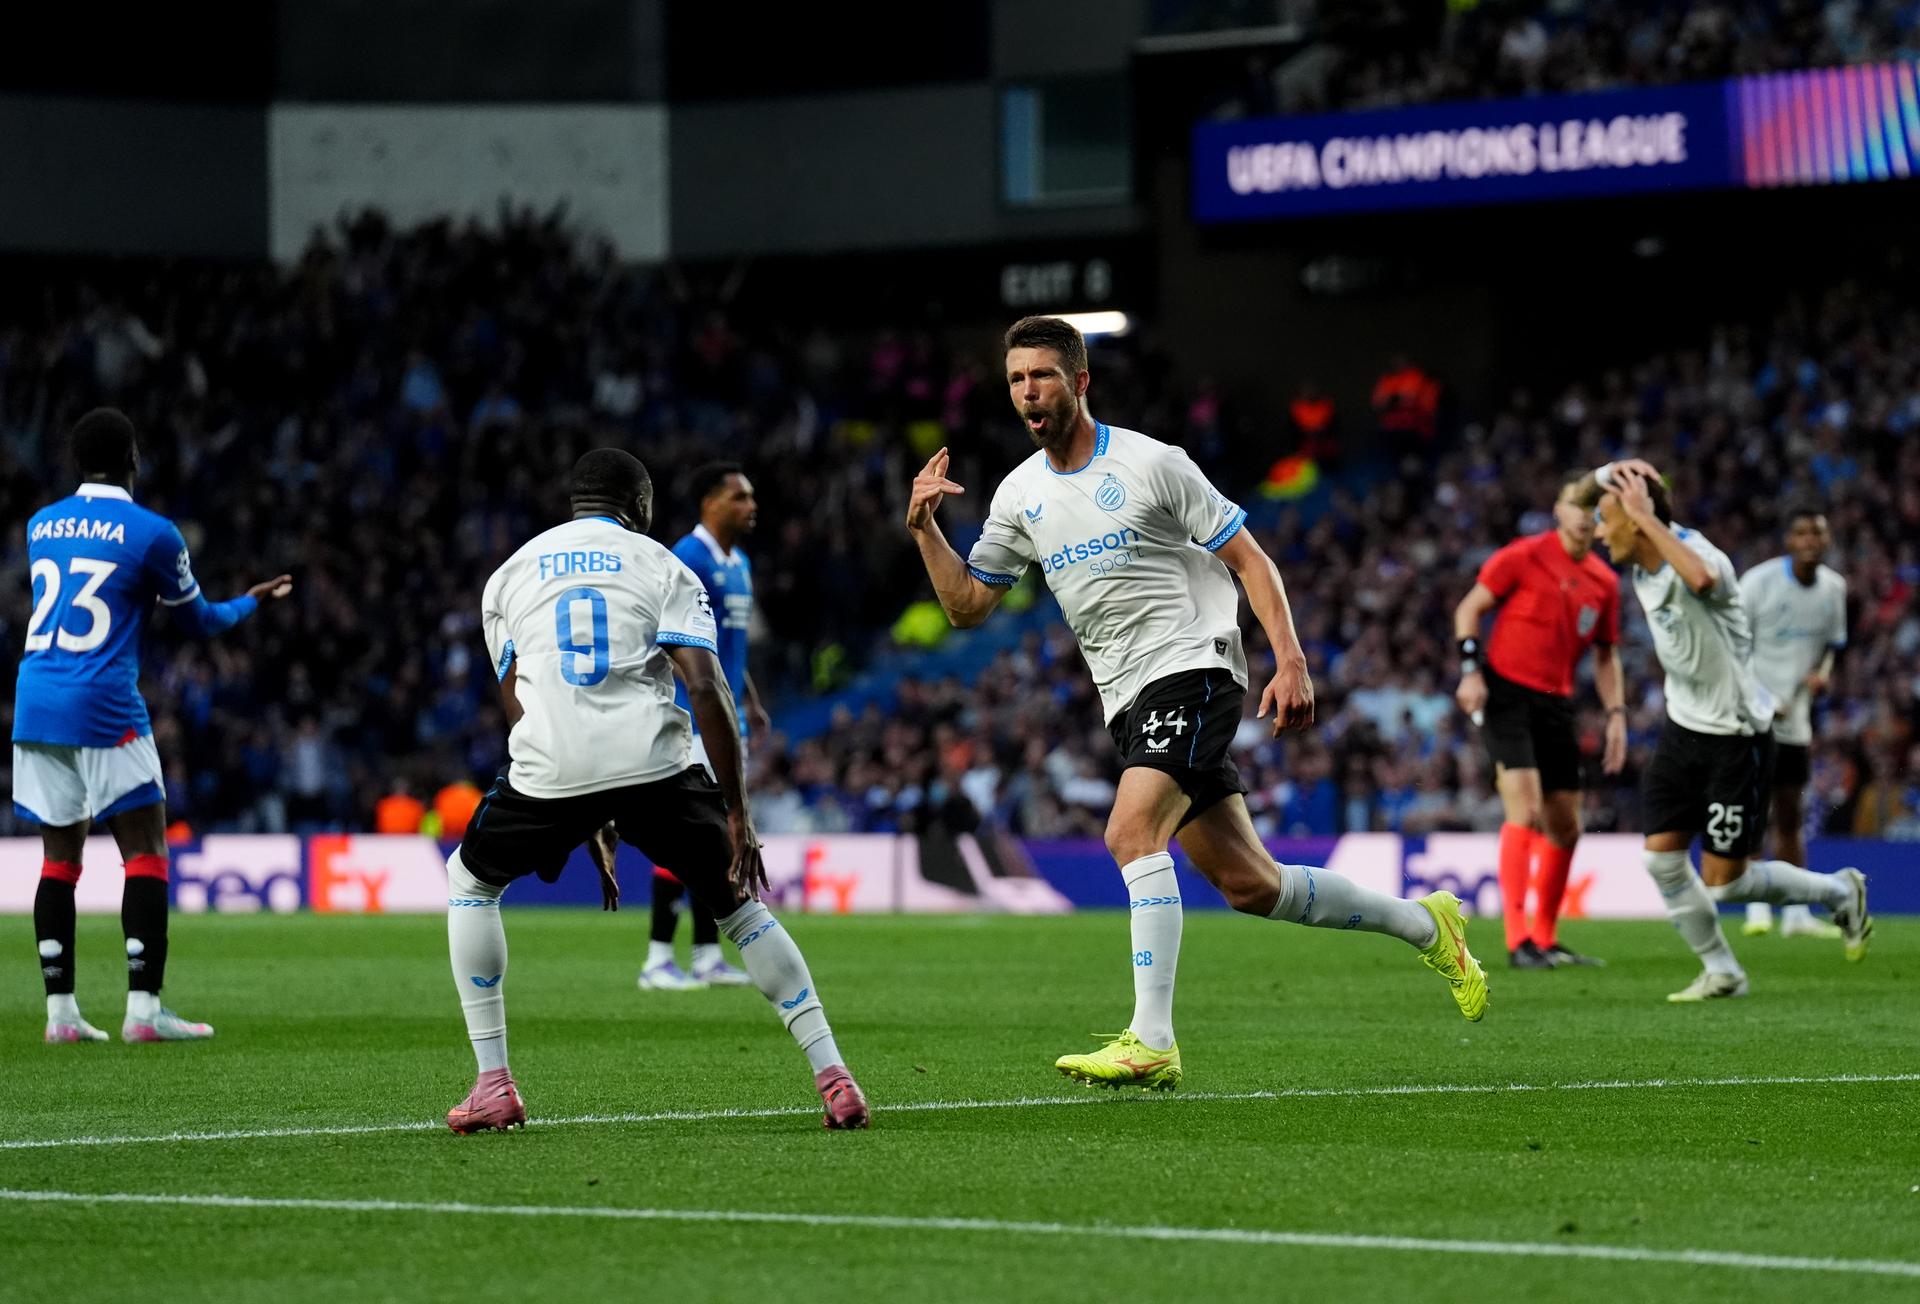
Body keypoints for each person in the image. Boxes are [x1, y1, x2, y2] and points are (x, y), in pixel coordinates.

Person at [904, 316, 1487, 1093]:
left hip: (1195, 667)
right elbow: (968, 606)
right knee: (1253, 885)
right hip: (1128, 696)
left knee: (1129, 831)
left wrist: (1292, 659)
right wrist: (924, 530)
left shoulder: (1152, 465)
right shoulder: (1019, 495)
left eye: (1042, 375)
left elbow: (1250, 558)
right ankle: (1428, 924)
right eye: (1016, 379)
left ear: (1080, 383)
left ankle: (1152, 1038)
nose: (1027, 392)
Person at [443, 448, 867, 1133]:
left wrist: (582, 807)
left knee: (470, 883)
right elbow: (704, 685)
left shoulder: (508, 575)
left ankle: (494, 1082)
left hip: (551, 765)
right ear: (639, 505)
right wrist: (737, 812)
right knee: (741, 910)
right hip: (656, 762)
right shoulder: (660, 563)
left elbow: (516, 697)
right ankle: (833, 1074)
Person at [14, 408, 292, 1044]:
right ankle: (143, 1010)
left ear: (75, 463)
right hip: (103, 704)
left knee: (60, 857)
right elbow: (199, 623)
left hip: (35, 699)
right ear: (135, 459)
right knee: (145, 852)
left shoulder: (39, 526)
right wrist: (252, 600)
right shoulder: (153, 533)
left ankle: (61, 1015)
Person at [1577, 461, 1869, 1002]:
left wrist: (1645, 512)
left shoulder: (1701, 557)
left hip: (1736, 737)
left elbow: (1703, 580)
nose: (1597, 531)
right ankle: (1723, 971)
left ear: (1639, 518)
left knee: (1726, 881)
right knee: (1660, 859)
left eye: (1605, 519)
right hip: (1682, 729)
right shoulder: (1641, 569)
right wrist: (1608, 475)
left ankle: (1838, 891)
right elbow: (1577, 497)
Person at [1454, 471, 1627, 969]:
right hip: (1505, 693)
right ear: (1558, 508)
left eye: (1595, 511)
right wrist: (1470, 672)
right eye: (1578, 505)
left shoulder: (1605, 581)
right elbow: (1469, 610)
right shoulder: (1523, 556)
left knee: (1566, 827)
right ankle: (1517, 942)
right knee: (1524, 810)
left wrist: (1616, 715)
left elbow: (1607, 655)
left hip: (1557, 703)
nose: (1585, 517)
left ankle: (1546, 939)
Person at [626, 463, 769, 991]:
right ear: (709, 503)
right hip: (693, 721)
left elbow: (723, 645)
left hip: (728, 719)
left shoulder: (740, 563)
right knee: (689, 839)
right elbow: (674, 641)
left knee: (716, 842)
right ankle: (658, 957)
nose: (750, 506)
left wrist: (747, 696)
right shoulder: (687, 558)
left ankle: (707, 956)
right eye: (739, 497)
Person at [1737, 507, 1849, 940]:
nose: (1810, 540)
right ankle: (1756, 907)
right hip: (1753, 718)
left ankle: (1797, 914)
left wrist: (1824, 672)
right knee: (1751, 811)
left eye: (1817, 532)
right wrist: (1758, 698)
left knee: (1790, 814)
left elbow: (1832, 646)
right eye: (1801, 532)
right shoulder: (1758, 584)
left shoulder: (1834, 589)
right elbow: (1732, 646)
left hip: (1796, 719)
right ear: (1787, 540)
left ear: (1827, 540)